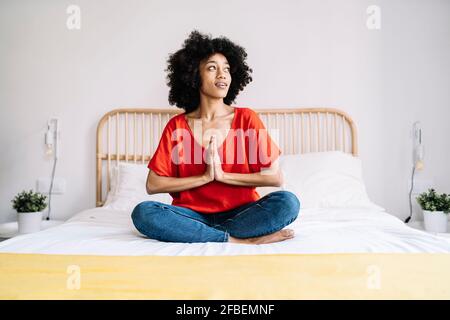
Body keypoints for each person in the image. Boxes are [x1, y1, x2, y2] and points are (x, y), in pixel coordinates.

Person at [131, 30, 300, 244]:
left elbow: (275, 178)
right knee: (144, 212)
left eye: (227, 69)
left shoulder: (246, 118)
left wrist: (221, 175)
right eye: (212, 68)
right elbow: (153, 185)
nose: (222, 74)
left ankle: (209, 235)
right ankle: (237, 241)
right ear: (194, 76)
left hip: (241, 215)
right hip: (191, 216)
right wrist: (204, 177)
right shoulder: (177, 126)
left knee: (288, 202)